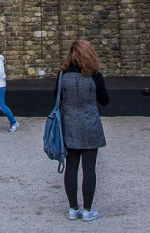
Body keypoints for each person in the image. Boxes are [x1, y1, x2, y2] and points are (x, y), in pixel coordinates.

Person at [57, 40, 109, 221]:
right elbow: (105, 100)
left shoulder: (62, 75)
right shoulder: (95, 76)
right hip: (90, 123)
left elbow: (56, 99)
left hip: (69, 123)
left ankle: (73, 208)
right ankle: (87, 210)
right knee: (89, 168)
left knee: (71, 168)